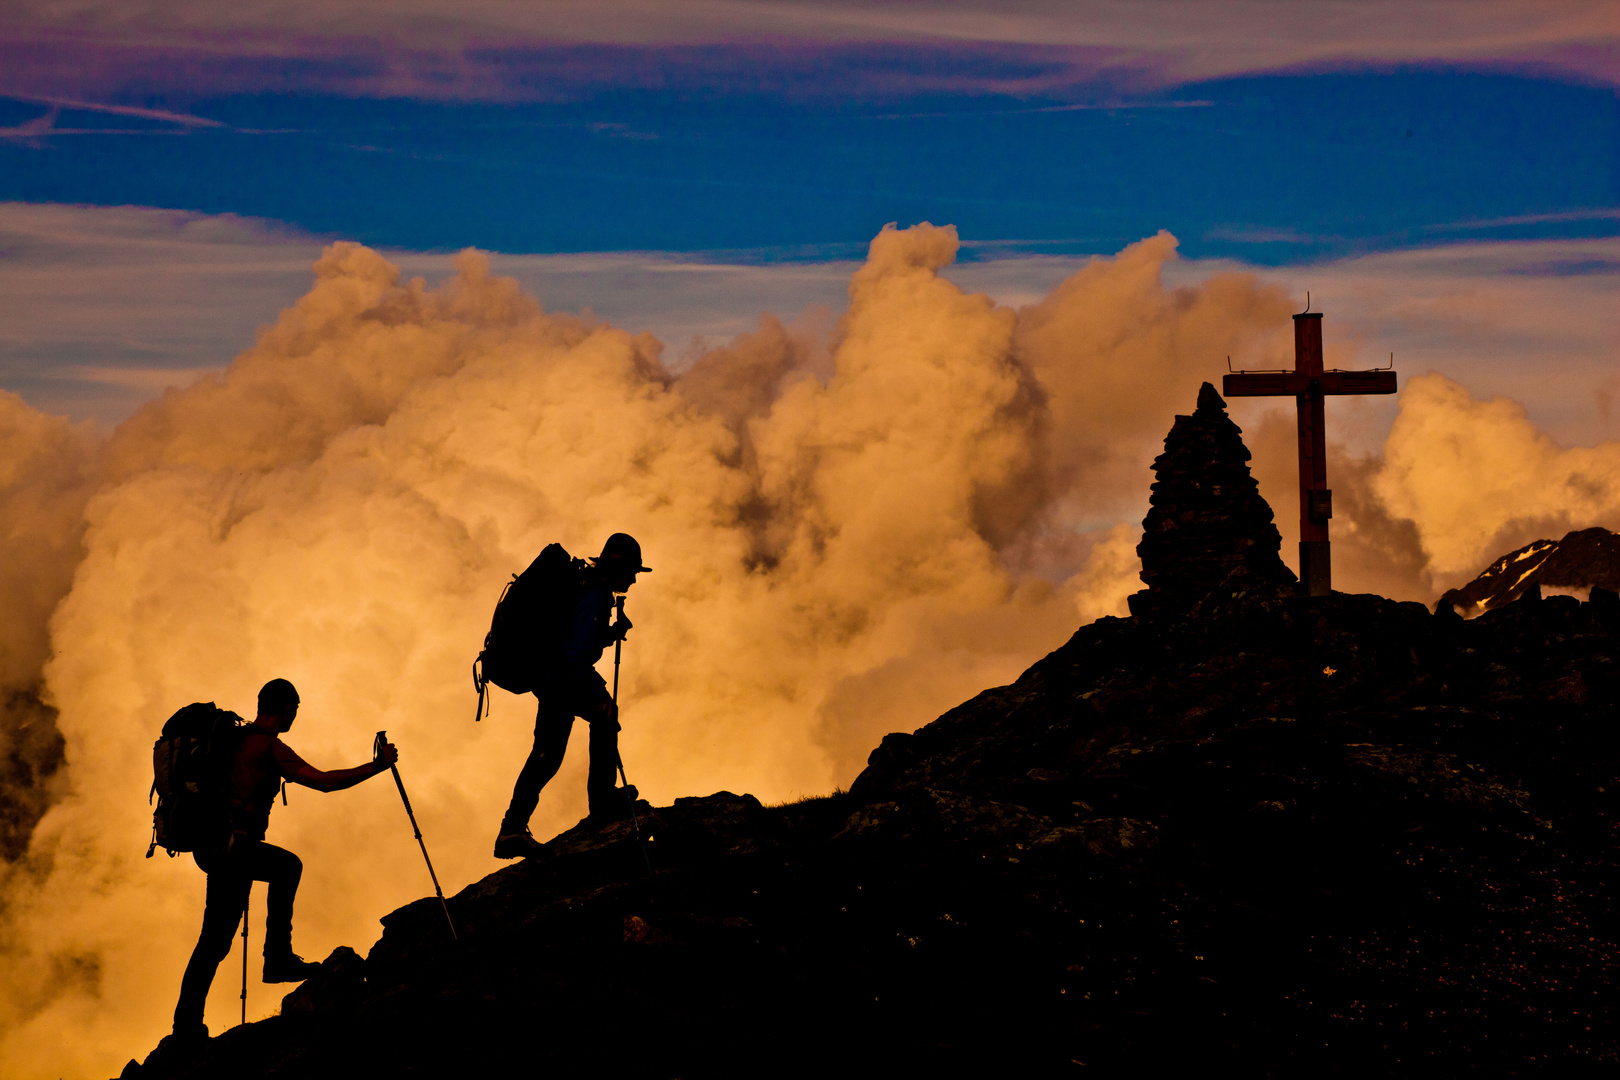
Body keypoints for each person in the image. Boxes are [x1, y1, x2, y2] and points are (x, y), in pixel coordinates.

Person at [167, 678, 398, 1044]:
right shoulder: (267, 746)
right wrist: (377, 766)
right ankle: (277, 958)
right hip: (237, 845)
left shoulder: (233, 741)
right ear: (288, 707)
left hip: (214, 847)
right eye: (295, 709)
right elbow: (323, 782)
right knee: (288, 867)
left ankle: (185, 1027)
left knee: (214, 941)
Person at [494, 532, 648, 859]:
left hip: (551, 677)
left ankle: (512, 829)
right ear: (619, 565)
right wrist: (598, 695)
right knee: (604, 716)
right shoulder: (594, 592)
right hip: (560, 679)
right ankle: (603, 801)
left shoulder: (584, 586)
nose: (634, 579)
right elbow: (575, 656)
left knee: (547, 755)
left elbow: (579, 642)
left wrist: (609, 634)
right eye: (633, 570)